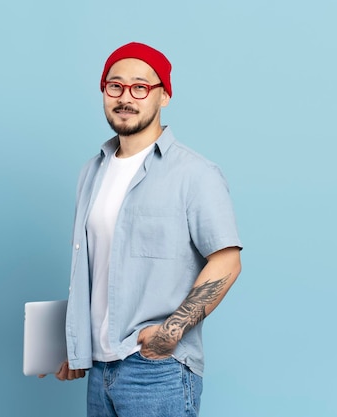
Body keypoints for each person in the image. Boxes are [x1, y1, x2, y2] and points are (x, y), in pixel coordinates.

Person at [53, 42, 242, 417]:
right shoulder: (92, 172)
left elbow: (226, 261)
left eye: (140, 87)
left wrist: (168, 334)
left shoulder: (195, 174)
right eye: (115, 86)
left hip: (157, 370)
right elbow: (99, 269)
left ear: (164, 96)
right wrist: (76, 345)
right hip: (98, 367)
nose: (126, 97)